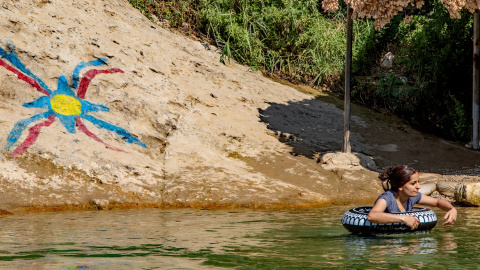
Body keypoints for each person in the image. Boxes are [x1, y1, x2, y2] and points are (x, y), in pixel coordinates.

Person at [368, 165, 457, 230]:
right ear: (400, 186)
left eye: (418, 182)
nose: (418, 186)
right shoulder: (386, 199)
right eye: (413, 183)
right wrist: (403, 218)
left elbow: (437, 202)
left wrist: (452, 209)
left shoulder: (412, 197)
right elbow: (372, 216)